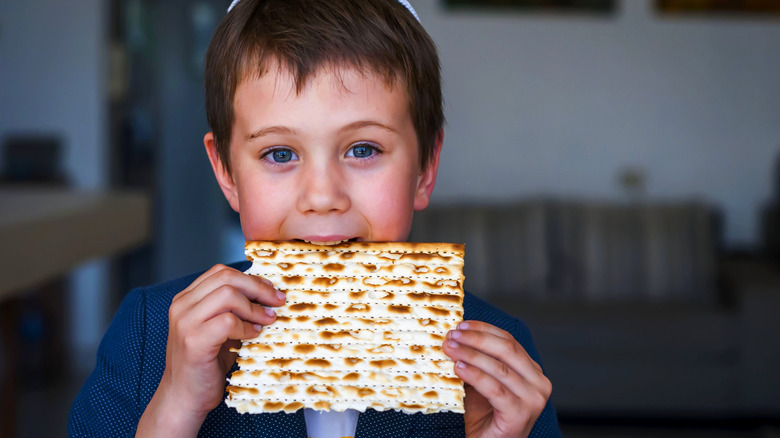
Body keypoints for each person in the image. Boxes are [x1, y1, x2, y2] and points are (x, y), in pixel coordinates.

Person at [68, 0, 561, 436]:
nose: (322, 197)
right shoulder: (149, 336)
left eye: (363, 149)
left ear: (425, 168)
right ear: (227, 174)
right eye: (280, 154)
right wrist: (173, 413)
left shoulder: (500, 373)